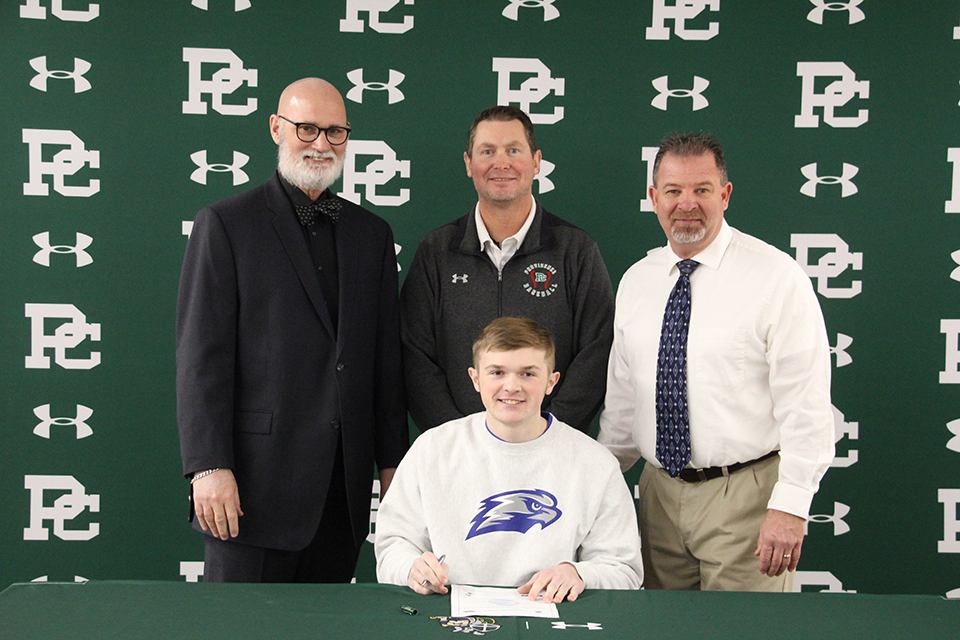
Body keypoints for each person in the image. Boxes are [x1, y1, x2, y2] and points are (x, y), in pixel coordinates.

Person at [176, 77, 408, 583]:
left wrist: (393, 467)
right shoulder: (225, 224)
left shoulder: (372, 235)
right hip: (250, 493)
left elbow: (384, 364)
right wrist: (208, 465)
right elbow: (201, 359)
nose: (321, 144)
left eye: (335, 132)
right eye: (307, 129)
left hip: (342, 496)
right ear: (276, 128)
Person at [598, 132, 834, 592]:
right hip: (657, 498)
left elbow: (806, 405)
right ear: (654, 199)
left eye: (701, 189)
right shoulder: (637, 281)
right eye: (673, 190)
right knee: (662, 626)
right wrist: (594, 485)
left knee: (743, 627)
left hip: (745, 499)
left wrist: (790, 505)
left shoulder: (775, 277)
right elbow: (624, 404)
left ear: (724, 195)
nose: (687, 204)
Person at [375, 317, 643, 603]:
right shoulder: (431, 450)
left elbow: (624, 569)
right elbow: (393, 547)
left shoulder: (595, 462)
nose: (511, 386)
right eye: (497, 372)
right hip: (448, 615)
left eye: (528, 374)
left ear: (551, 382)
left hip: (552, 614)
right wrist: (411, 569)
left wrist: (579, 574)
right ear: (475, 379)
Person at [400, 106, 613, 434]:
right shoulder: (436, 252)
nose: (501, 163)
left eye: (513, 150)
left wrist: (546, 435)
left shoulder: (576, 250)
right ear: (469, 164)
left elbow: (597, 352)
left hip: (554, 450)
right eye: (487, 151)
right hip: (459, 453)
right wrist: (461, 440)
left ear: (536, 162)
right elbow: (414, 357)